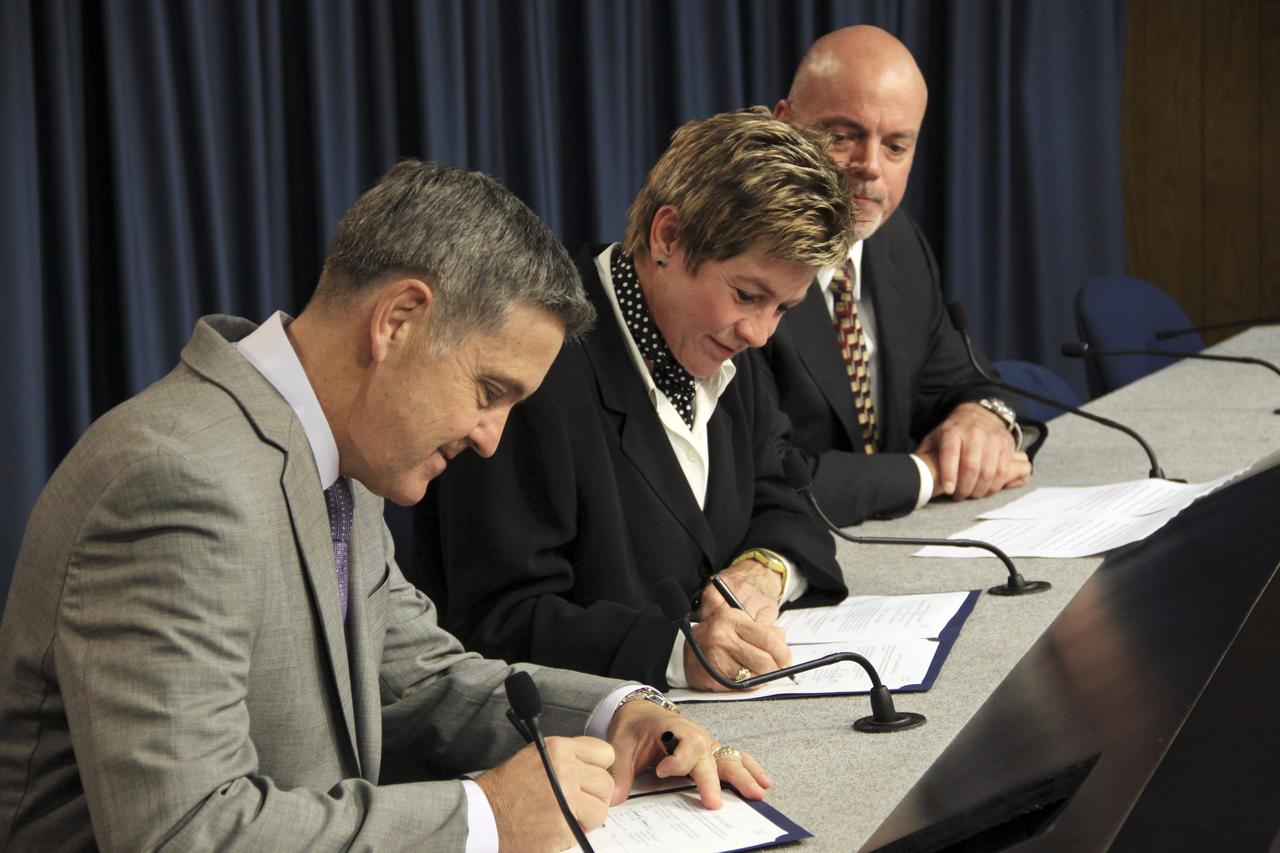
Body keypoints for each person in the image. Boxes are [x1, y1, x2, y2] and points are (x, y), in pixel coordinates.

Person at [0, 161, 769, 853]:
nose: (492, 438)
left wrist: (616, 718)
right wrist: (484, 818)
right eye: (490, 392)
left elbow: (420, 679)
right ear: (397, 319)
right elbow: (186, 831)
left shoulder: (337, 464)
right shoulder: (176, 479)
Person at [411, 108, 853, 695]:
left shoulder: (722, 342)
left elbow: (783, 493)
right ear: (667, 236)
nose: (760, 334)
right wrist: (678, 652)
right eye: (748, 295)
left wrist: (765, 569)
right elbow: (496, 618)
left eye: (783, 309)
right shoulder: (535, 367)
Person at [762, 25, 1038, 527]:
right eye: (842, 137)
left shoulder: (896, 243)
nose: (870, 167)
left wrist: (982, 421)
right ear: (785, 125)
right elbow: (767, 475)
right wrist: (928, 474)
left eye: (895, 146)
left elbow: (965, 381)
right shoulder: (745, 269)